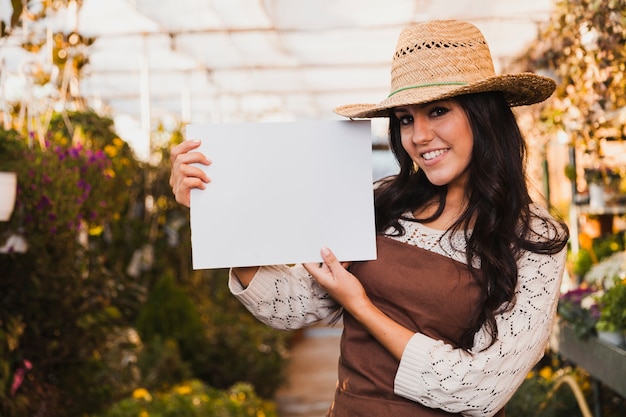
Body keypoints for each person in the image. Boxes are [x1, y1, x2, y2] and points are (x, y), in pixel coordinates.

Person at [169, 19, 569, 417]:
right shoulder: (383, 202)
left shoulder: (533, 237)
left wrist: (360, 306)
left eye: (438, 111)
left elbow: (481, 391)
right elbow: (291, 306)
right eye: (406, 118)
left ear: (484, 117)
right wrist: (219, 207)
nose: (419, 135)